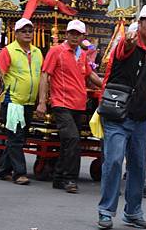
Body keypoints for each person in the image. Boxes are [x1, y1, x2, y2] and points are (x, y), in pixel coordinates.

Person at [97, 4, 146, 230]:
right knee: (114, 160)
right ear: (140, 23)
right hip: (117, 115)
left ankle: (133, 212)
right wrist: (128, 40)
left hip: (141, 118)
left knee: (138, 166)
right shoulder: (126, 44)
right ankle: (105, 211)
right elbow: (124, 48)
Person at [37, 19, 103, 193]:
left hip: (79, 105)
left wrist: (107, 85)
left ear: (83, 36)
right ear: (66, 34)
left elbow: (91, 75)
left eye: (78, 34)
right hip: (61, 103)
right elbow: (45, 75)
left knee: (70, 141)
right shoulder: (56, 51)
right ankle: (69, 178)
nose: (74, 37)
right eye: (72, 33)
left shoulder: (81, 55)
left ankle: (59, 177)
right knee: (72, 139)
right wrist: (42, 102)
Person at [0, 18, 43, 185]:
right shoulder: (8, 51)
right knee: (16, 137)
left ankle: (3, 170)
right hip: (13, 100)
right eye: (24, 31)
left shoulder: (37, 52)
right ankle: (19, 173)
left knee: (19, 137)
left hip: (29, 101)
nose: (28, 34)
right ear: (16, 33)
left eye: (30, 31)